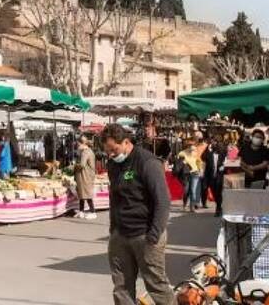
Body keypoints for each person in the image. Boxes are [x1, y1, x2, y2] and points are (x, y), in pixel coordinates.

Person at [102, 123, 174, 305]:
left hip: (145, 234)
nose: (110, 155)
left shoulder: (147, 162)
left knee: (156, 285)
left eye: (114, 149)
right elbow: (115, 198)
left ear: (126, 142)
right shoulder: (113, 165)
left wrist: (154, 234)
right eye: (107, 151)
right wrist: (113, 230)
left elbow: (163, 201)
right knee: (121, 287)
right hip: (120, 235)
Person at [177, 140, 204, 213]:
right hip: (186, 174)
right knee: (186, 191)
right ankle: (185, 204)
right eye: (191, 148)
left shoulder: (195, 153)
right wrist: (184, 162)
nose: (193, 150)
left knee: (193, 190)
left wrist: (200, 169)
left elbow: (199, 161)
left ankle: (192, 207)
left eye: (194, 148)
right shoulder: (182, 153)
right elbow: (179, 163)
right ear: (187, 147)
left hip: (195, 173)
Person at [202, 137, 226, 217]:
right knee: (214, 193)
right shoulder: (209, 154)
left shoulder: (222, 154)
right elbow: (203, 157)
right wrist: (207, 148)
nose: (213, 144)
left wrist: (223, 166)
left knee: (219, 193)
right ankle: (219, 206)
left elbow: (227, 162)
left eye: (215, 143)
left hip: (219, 177)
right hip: (211, 177)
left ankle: (218, 208)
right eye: (212, 143)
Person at [74, 136, 97, 220]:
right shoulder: (88, 151)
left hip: (85, 175)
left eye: (77, 144)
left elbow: (82, 165)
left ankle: (92, 211)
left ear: (81, 143)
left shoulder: (85, 152)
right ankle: (81, 211)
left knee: (87, 194)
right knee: (82, 194)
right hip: (85, 175)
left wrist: (74, 166)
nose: (77, 145)